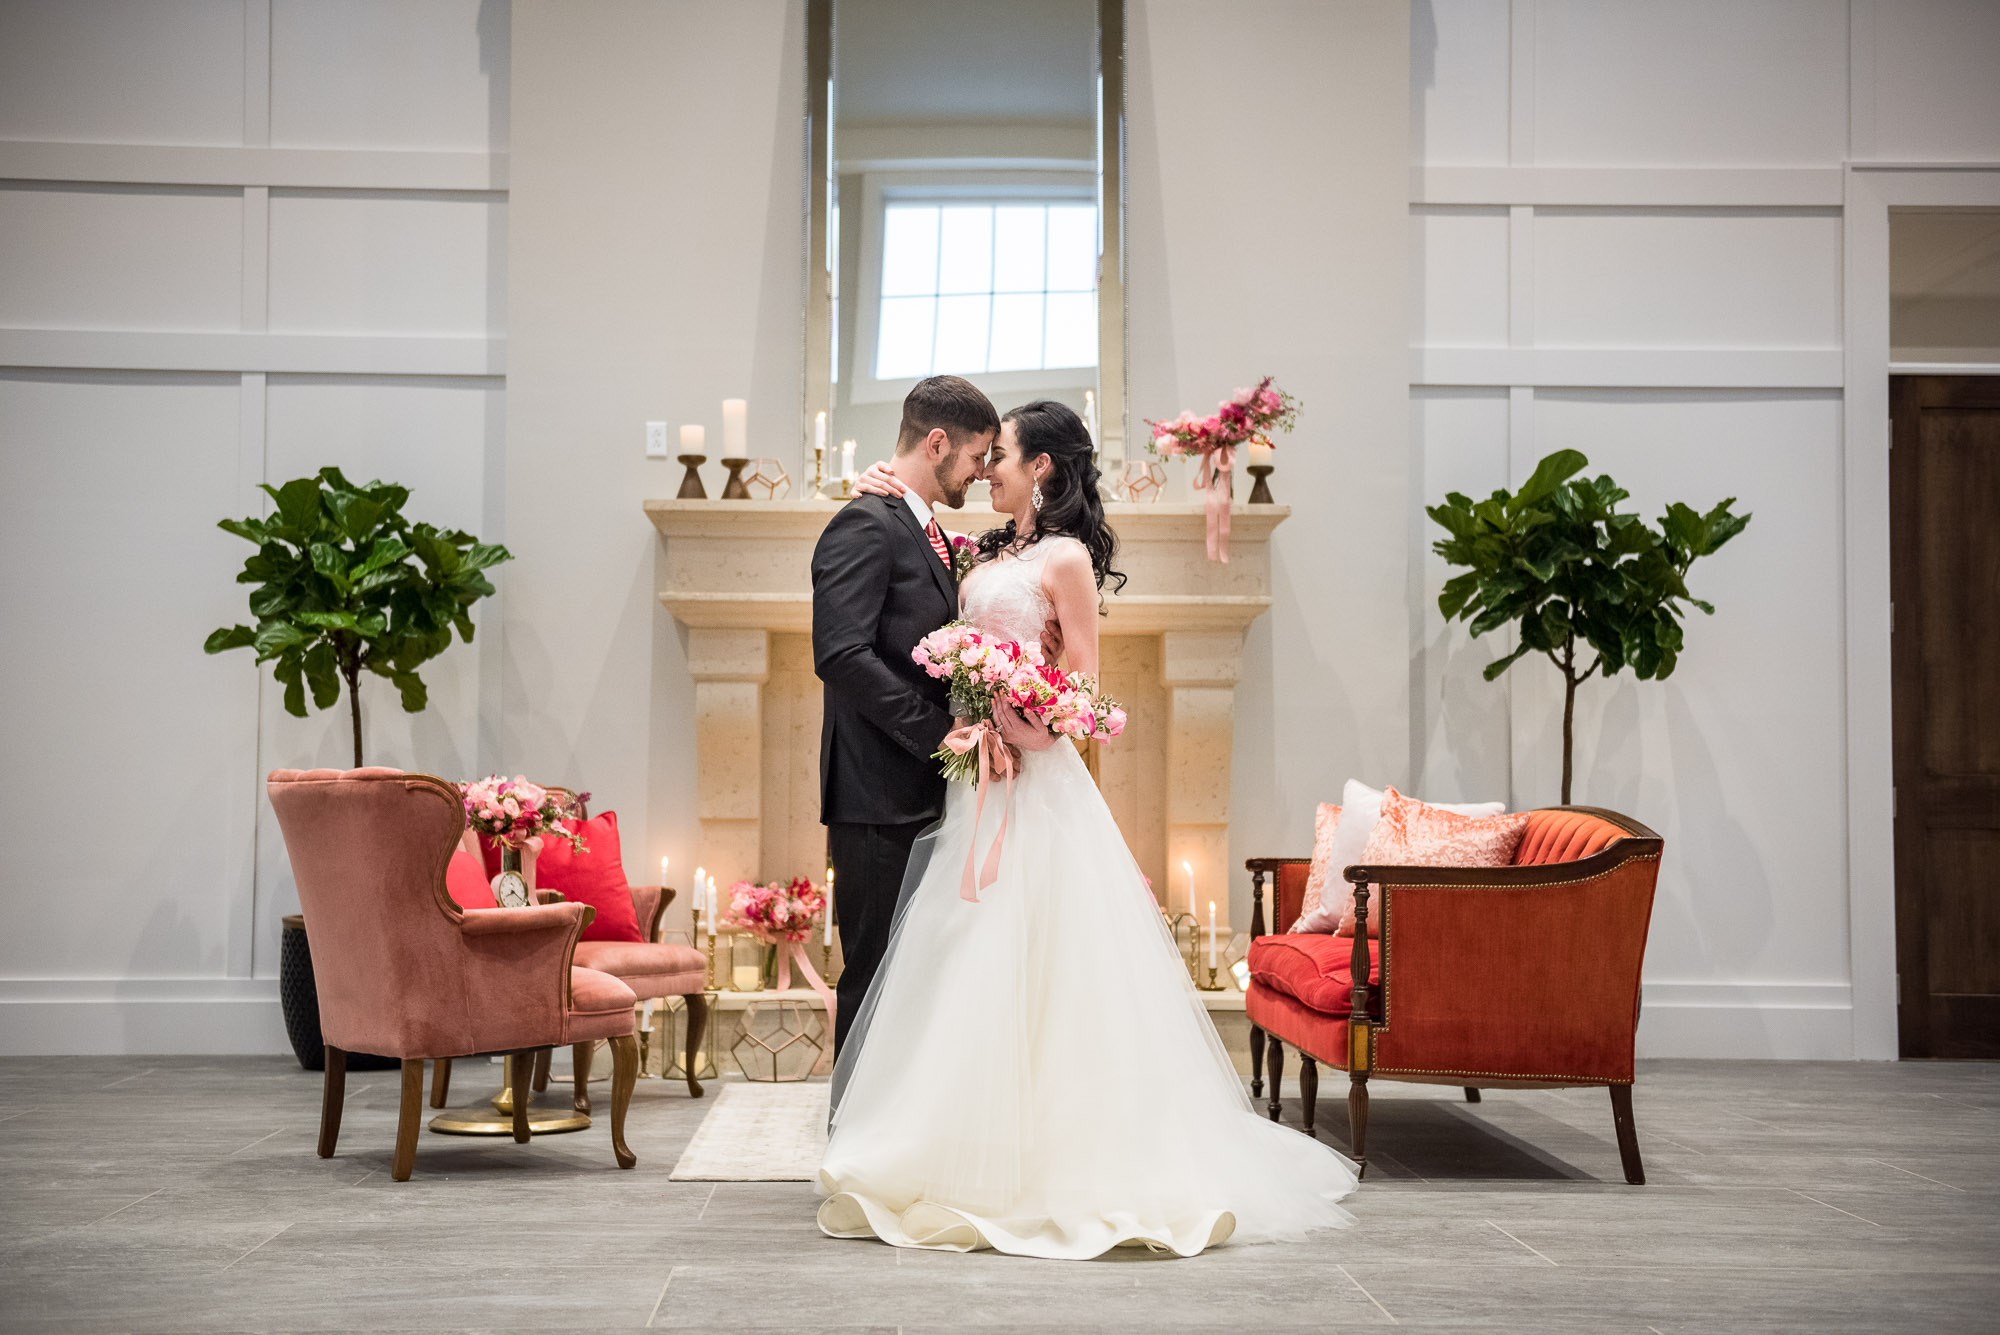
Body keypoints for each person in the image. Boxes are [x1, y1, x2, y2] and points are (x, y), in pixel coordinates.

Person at [816, 399, 1359, 1259]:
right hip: (969, 781)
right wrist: (876, 485)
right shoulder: (984, 548)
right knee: (961, 960)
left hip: (1031, 779)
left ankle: (1060, 1152)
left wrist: (1018, 717)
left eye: (1004, 456)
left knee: (1049, 962)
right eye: (981, 454)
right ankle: (954, 1142)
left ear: (1043, 469)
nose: (988, 467)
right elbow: (915, 569)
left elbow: (1082, 690)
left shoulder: (1065, 558)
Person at [810, 375, 1001, 1056]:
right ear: (938, 441)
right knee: (872, 975)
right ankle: (851, 1133)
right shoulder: (864, 522)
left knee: (912, 975)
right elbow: (840, 653)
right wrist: (938, 734)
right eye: (978, 457)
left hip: (916, 792)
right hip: (875, 795)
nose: (981, 475)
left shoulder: (922, 528)